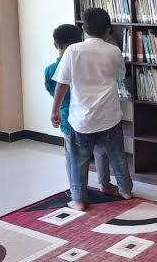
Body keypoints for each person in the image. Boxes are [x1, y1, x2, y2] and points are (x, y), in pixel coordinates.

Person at [50, 8, 133, 211]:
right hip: (109, 116)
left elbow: (62, 83)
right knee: (117, 156)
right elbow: (120, 75)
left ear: (84, 29)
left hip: (81, 118)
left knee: (78, 160)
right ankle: (125, 190)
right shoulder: (113, 51)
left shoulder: (73, 51)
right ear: (108, 30)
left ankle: (78, 199)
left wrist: (54, 111)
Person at [44, 24, 118, 196]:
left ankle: (75, 190)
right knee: (100, 151)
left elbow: (51, 90)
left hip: (67, 117)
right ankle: (104, 184)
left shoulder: (50, 70)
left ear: (55, 45)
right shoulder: (86, 62)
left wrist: (56, 110)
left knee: (73, 156)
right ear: (81, 40)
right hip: (92, 112)